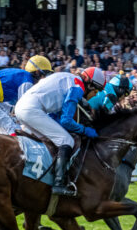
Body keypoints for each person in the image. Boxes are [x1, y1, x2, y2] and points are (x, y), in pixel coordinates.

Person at [15, 67, 107, 196]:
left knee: (52, 140)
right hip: (32, 110)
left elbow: (57, 116)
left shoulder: (69, 78)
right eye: (96, 91)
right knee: (66, 140)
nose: (95, 95)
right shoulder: (77, 88)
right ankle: (59, 184)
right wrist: (85, 130)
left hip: (22, 107)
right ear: (90, 85)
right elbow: (66, 121)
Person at [0, 55, 53, 135]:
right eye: (46, 73)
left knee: (6, 128)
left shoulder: (21, 76)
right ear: (37, 72)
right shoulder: (27, 80)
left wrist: (13, 112)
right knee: (13, 129)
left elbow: (10, 108)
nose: (45, 78)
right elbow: (24, 108)